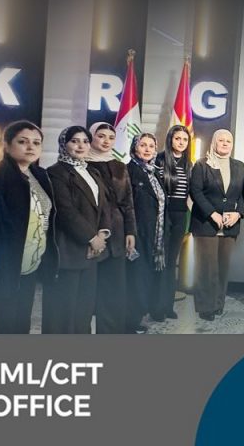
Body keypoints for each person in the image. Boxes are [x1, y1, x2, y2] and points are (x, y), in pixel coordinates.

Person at [0, 121, 54, 334]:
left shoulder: (40, 175)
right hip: (6, 262)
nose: (30, 147)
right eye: (23, 142)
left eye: (36, 142)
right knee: (3, 322)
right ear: (6, 145)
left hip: (32, 260)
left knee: (22, 320)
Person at [43, 126, 111, 334]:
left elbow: (104, 206)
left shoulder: (92, 171)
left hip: (93, 251)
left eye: (85, 141)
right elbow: (65, 210)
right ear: (64, 144)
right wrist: (90, 238)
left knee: (84, 308)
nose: (81, 146)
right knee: (64, 310)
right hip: (69, 249)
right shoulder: (55, 172)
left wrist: (102, 235)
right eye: (74, 141)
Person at [189, 129, 244, 321]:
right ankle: (206, 307)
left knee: (222, 268)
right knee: (207, 269)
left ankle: (218, 303)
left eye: (228, 141)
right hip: (206, 224)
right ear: (214, 142)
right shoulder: (201, 165)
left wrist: (238, 213)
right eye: (221, 140)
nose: (225, 143)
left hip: (229, 226)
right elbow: (196, 192)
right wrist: (212, 213)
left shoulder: (239, 166)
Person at [86, 122, 137, 333]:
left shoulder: (119, 166)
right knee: (88, 290)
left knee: (114, 288)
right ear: (91, 137)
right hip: (91, 230)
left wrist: (130, 231)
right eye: (101, 136)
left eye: (111, 137)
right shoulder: (82, 164)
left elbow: (127, 202)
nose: (106, 141)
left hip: (117, 231)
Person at [127, 133, 166, 333]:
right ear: (135, 148)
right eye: (143, 145)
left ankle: (141, 314)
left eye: (151, 146)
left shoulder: (154, 172)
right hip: (137, 233)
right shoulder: (129, 171)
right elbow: (126, 205)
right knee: (136, 278)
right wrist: (130, 231)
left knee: (146, 276)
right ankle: (131, 320)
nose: (148, 149)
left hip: (154, 233)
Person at [154, 124, 191, 321]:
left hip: (180, 216)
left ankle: (168, 306)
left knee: (171, 263)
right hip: (162, 215)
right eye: (178, 138)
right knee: (160, 261)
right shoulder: (159, 160)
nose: (181, 142)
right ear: (170, 139)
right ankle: (156, 307)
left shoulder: (188, 163)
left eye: (185, 139)